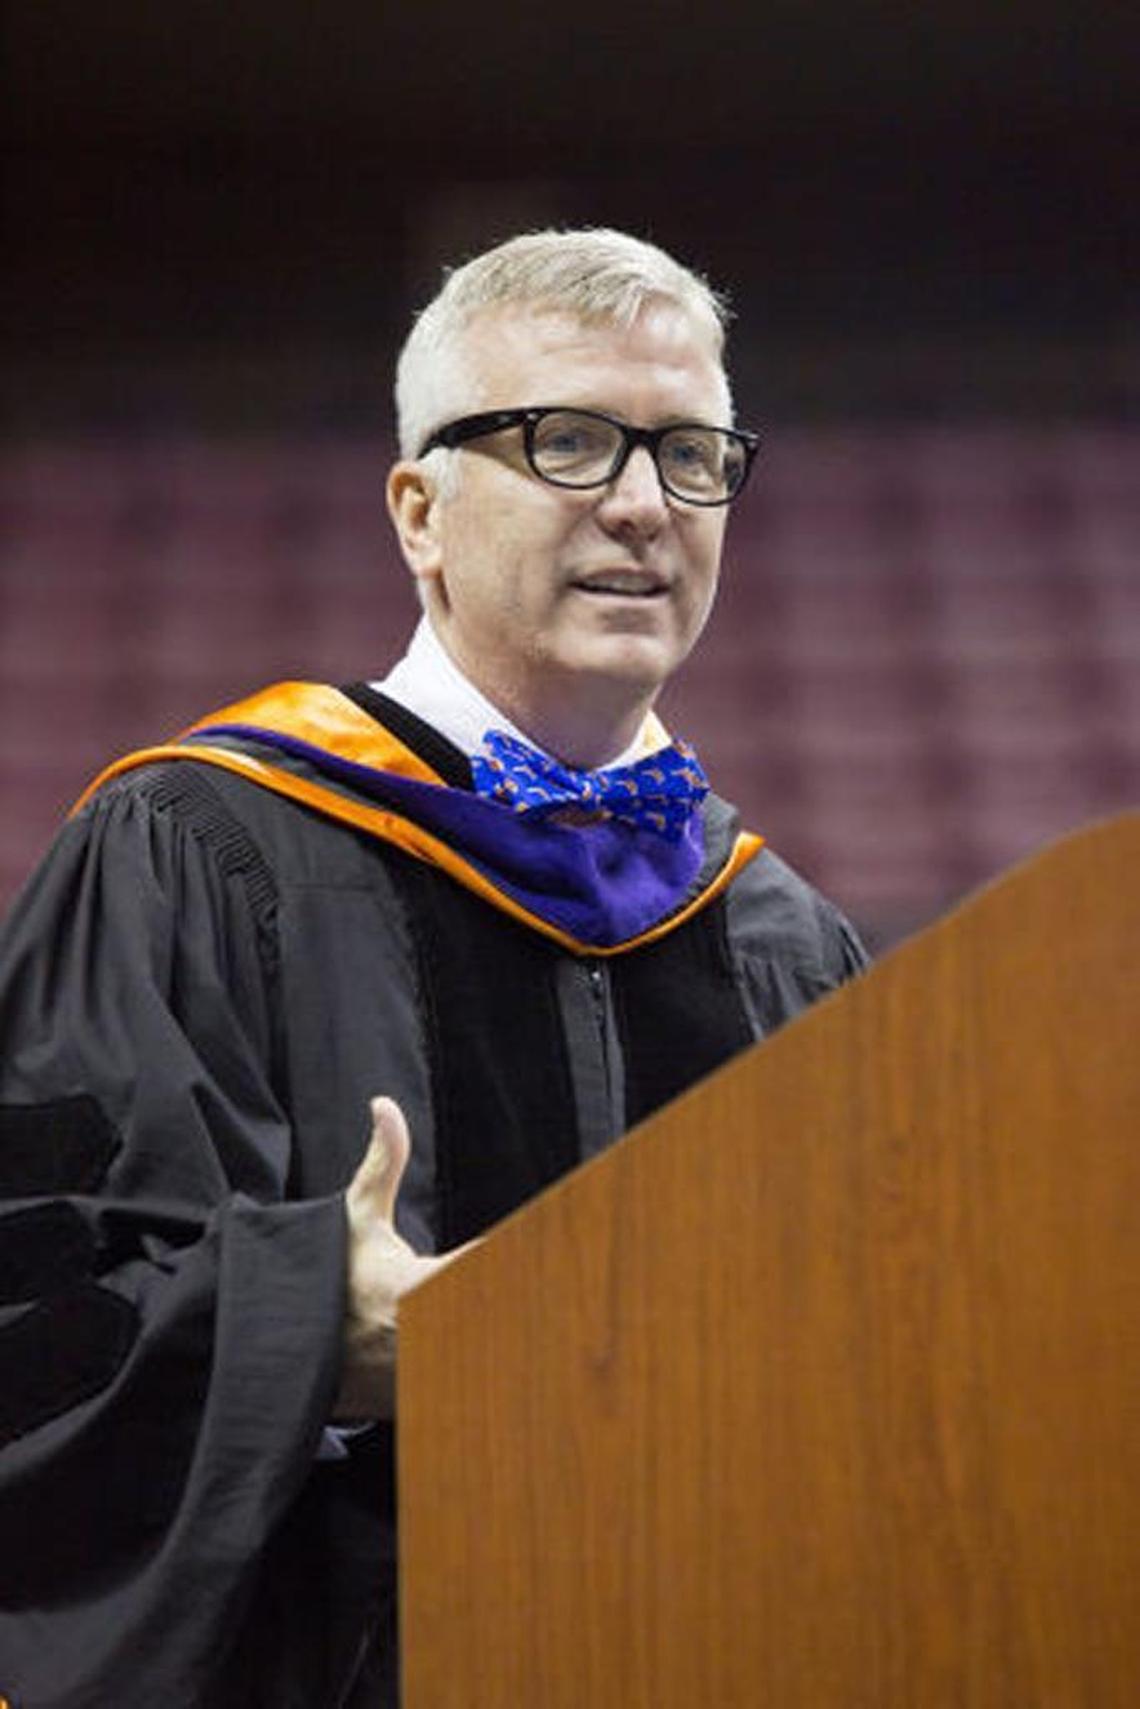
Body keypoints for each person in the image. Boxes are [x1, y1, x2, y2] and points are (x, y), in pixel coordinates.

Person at [0, 228, 867, 1707]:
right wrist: (300, 1336)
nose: (646, 505)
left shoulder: (788, 946)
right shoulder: (197, 848)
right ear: (420, 508)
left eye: (693, 453)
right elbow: (38, 1310)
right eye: (572, 442)